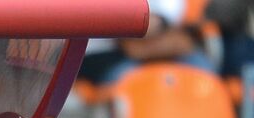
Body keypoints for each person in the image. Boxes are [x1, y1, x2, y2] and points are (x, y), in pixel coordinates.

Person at [78, 0, 215, 85]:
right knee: (130, 80)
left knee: (203, 72)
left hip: (159, 46)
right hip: (105, 52)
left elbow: (170, 13)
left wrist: (157, 22)